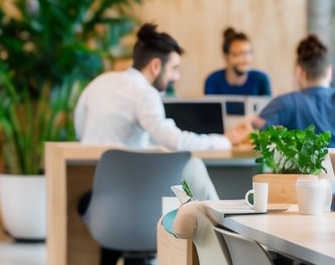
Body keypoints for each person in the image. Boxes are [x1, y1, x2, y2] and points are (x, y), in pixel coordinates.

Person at [75, 22, 250, 201]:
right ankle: (218, 225)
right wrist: (224, 140)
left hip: (93, 192)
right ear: (156, 66)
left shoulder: (99, 82)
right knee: (192, 164)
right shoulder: (144, 92)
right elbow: (176, 142)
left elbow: (80, 129)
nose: (177, 77)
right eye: (174, 68)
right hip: (133, 193)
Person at [243, 35, 335, 149]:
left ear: (299, 72)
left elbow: (256, 132)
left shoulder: (287, 103)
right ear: (329, 71)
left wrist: (253, 120)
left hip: (306, 178)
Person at [204, 28, 271, 114]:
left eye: (248, 53)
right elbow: (210, 115)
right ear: (226, 57)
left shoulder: (261, 79)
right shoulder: (213, 81)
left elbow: (267, 116)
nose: (245, 59)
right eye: (237, 55)